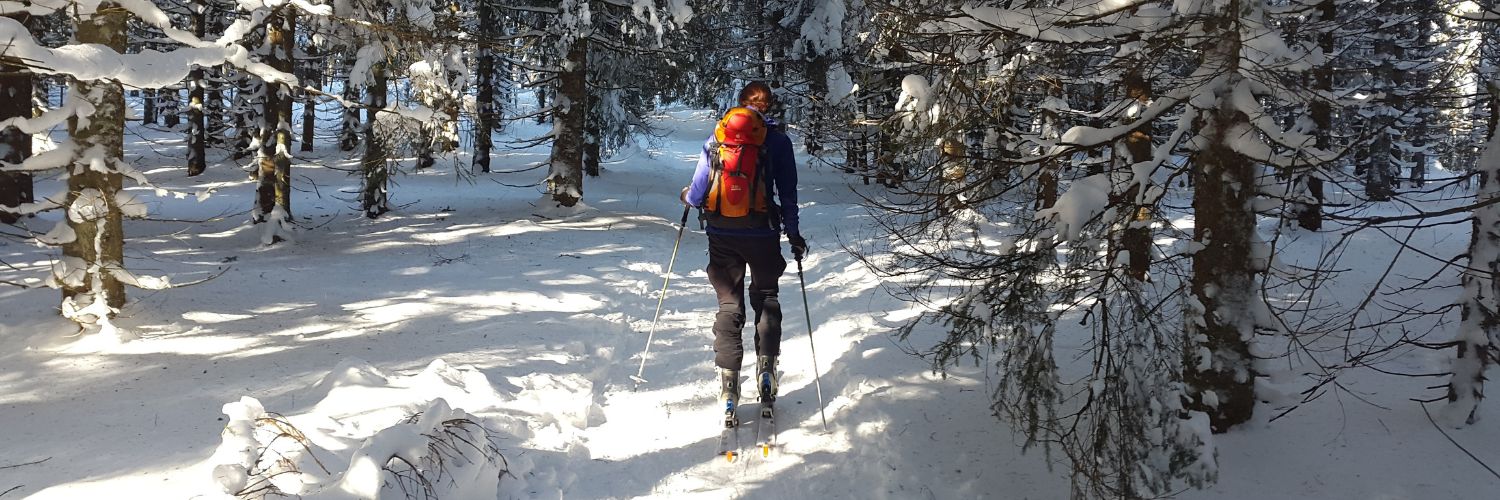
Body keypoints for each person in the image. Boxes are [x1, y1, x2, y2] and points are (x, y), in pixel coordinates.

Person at [680, 81, 806, 423]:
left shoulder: (718, 136)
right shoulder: (776, 140)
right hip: (762, 231)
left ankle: (729, 383)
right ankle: (767, 370)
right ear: (769, 107)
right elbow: (788, 191)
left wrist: (688, 198)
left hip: (722, 233)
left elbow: (698, 188)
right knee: (766, 297)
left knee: (729, 305)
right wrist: (792, 232)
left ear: (740, 104)